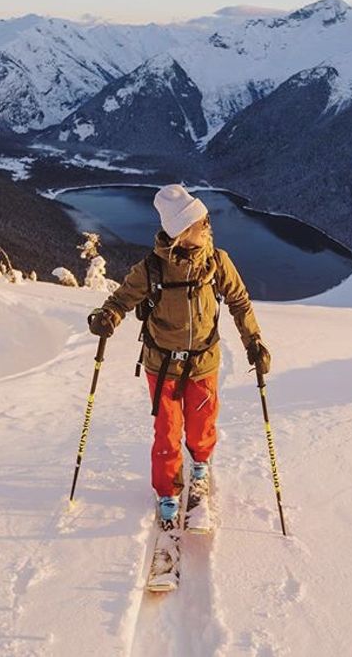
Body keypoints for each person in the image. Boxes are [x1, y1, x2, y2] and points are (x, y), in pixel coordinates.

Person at [87, 184, 271, 525]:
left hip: (203, 361)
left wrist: (254, 343)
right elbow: (122, 298)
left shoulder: (217, 262)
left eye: (204, 221)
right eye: (200, 222)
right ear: (181, 231)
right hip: (162, 364)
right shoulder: (152, 268)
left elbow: (240, 302)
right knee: (167, 431)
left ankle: (200, 467)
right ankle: (168, 492)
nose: (207, 226)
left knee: (202, 426)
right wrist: (108, 316)